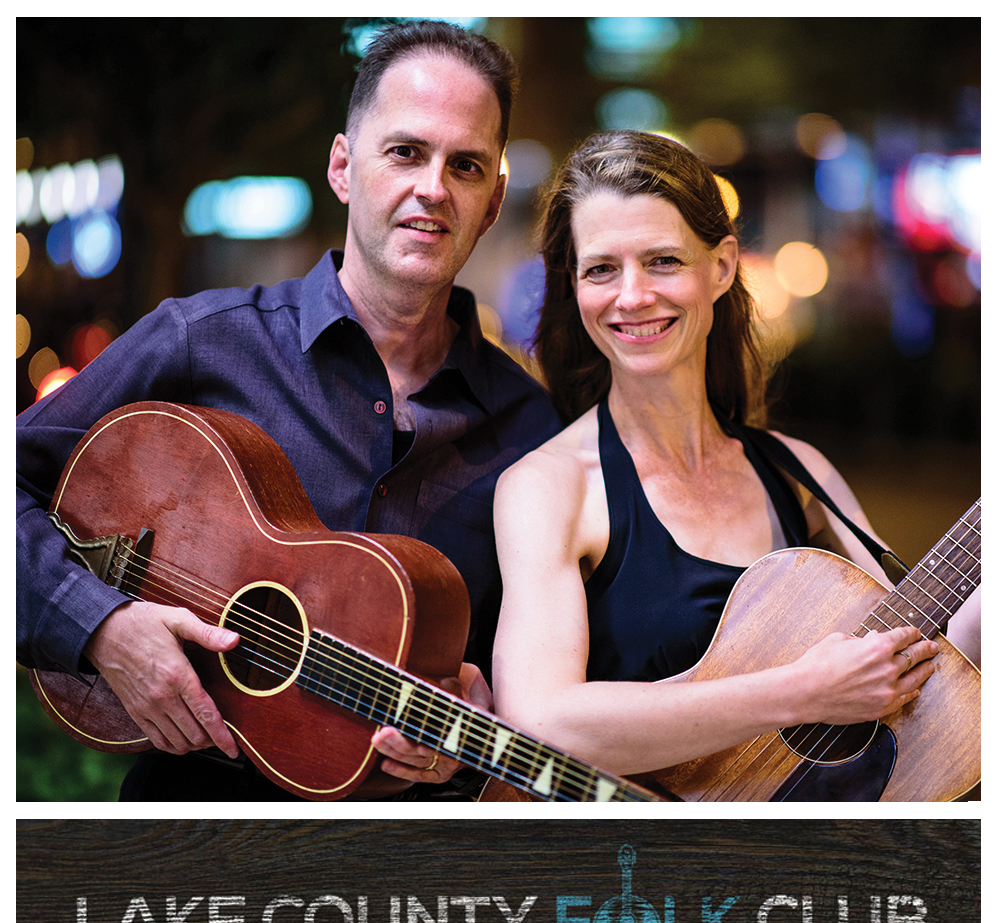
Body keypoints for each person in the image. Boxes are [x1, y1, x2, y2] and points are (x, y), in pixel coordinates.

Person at [16, 21, 562, 800]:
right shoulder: (201, 342)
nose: (433, 188)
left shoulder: (532, 434)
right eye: (405, 152)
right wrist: (99, 626)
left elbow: (532, 679)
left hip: (404, 872)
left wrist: (479, 732)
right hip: (179, 835)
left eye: (465, 166)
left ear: (492, 200)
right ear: (344, 167)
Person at [490, 129, 980, 784]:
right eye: (602, 268)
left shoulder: (798, 472)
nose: (632, 295)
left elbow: (931, 667)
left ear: (721, 267)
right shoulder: (548, 488)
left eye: (663, 261)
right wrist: (801, 692)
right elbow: (539, 724)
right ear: (574, 288)